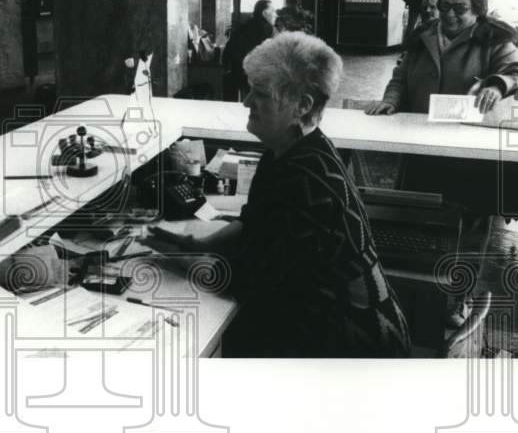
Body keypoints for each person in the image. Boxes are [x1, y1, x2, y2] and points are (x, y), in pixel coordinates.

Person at [151, 32, 412, 357]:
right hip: (348, 322)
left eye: (260, 94)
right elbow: (253, 223)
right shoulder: (293, 150)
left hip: (352, 343)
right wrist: (198, 245)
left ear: (302, 106)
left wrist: (181, 264)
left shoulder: (301, 178)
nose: (246, 102)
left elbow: (253, 281)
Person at [367, 0, 518, 116]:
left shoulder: (494, 39)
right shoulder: (421, 37)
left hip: (464, 135)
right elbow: (400, 79)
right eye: (445, 6)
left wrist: (497, 86)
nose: (450, 14)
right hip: (416, 127)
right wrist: (391, 100)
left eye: (460, 9)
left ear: (478, 10)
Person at [221, 0, 275, 101]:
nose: (275, 14)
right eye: (272, 11)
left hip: (234, 68)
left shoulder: (246, 25)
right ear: (264, 13)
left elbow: (230, 46)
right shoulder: (266, 27)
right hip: (249, 70)